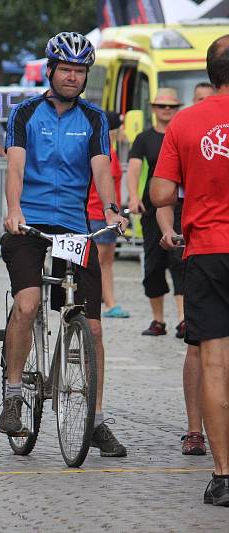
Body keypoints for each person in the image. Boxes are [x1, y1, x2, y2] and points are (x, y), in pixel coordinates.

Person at [0, 32, 128, 457]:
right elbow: (14, 167)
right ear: (51, 70)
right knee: (29, 303)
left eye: (80, 71)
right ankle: (15, 394)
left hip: (74, 227)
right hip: (29, 224)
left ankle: (95, 420)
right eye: (66, 69)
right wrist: (13, 209)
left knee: (92, 325)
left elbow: (103, 169)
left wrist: (111, 210)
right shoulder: (25, 113)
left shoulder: (93, 119)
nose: (73, 77)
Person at [151, 34, 229, 506]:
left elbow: (161, 193)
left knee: (215, 364)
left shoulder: (185, 121)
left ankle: (223, 475)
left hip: (208, 252)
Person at [126, 88, 185, 337]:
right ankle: (158, 320)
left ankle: (183, 319)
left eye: (171, 106)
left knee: (181, 262)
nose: (166, 110)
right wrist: (133, 197)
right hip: (154, 207)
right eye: (162, 106)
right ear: (153, 108)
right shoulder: (144, 138)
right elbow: (134, 168)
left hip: (183, 204)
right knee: (153, 263)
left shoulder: (182, 133)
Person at [157, 205, 207, 455]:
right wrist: (168, 229)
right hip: (204, 255)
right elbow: (162, 199)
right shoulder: (187, 163)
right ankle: (195, 430)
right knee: (197, 345)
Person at [88, 111, 130, 318]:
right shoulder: (103, 151)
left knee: (107, 261)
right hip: (98, 212)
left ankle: (109, 301)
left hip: (108, 212)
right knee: (100, 262)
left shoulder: (109, 149)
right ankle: (106, 303)